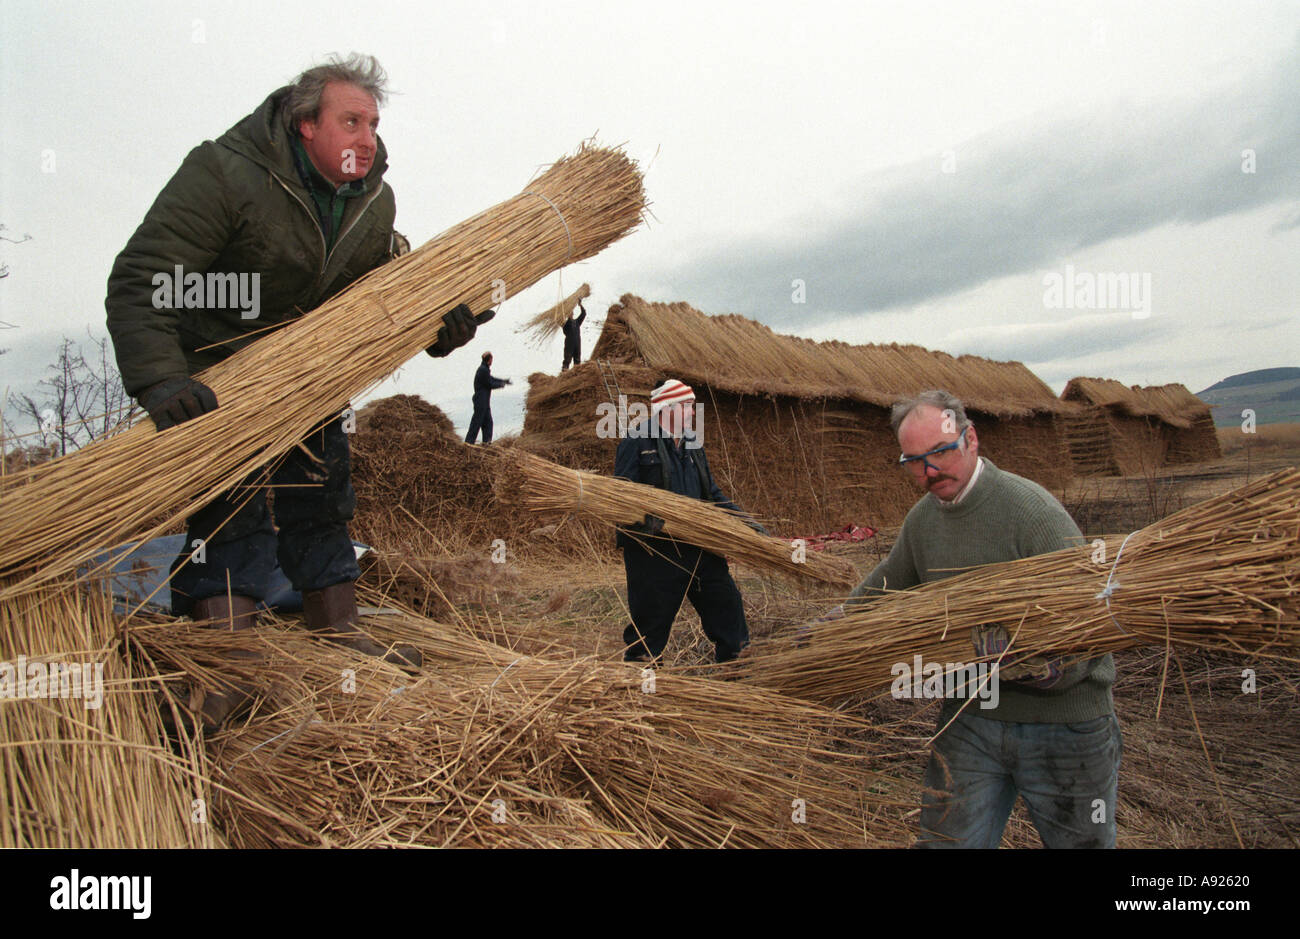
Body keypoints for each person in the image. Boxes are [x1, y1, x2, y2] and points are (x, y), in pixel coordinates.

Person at [105, 54, 492, 730]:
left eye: (373, 123)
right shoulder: (225, 173)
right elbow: (144, 278)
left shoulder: (374, 198)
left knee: (321, 494)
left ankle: (338, 631)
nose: (367, 138)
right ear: (306, 123)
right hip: (223, 377)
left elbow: (382, 295)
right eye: (351, 121)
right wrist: (162, 379)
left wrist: (441, 325)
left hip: (307, 377)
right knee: (234, 510)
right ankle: (228, 663)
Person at [836, 389, 1120, 848]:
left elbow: (1090, 613)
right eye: (913, 461)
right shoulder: (923, 521)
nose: (928, 471)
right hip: (970, 716)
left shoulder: (1031, 512)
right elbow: (889, 583)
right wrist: (836, 624)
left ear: (971, 438)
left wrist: (1043, 664)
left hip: (1063, 727)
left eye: (940, 453)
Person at [614, 379, 766, 664]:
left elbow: (712, 494)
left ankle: (736, 667)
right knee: (650, 626)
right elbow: (620, 496)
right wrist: (646, 522)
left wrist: (745, 522)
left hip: (698, 548)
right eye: (686, 406)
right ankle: (640, 683)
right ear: (667, 408)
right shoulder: (636, 442)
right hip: (655, 552)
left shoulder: (693, 444)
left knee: (726, 604)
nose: (692, 412)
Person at [465, 351, 511, 444]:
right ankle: (468, 443)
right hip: (480, 400)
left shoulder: (484, 369)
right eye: (492, 359)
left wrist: (504, 381)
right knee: (477, 422)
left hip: (484, 401)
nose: (492, 361)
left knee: (488, 423)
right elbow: (489, 383)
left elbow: (491, 378)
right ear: (489, 360)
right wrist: (501, 385)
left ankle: (487, 443)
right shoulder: (482, 370)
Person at [560, 300, 586, 370]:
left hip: (577, 344)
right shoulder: (565, 324)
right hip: (569, 344)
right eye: (570, 313)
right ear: (567, 315)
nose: (572, 313)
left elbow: (583, 314)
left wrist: (580, 305)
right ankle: (564, 372)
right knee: (567, 360)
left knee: (577, 361)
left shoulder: (577, 322)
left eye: (572, 312)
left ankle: (576, 375)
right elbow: (560, 321)